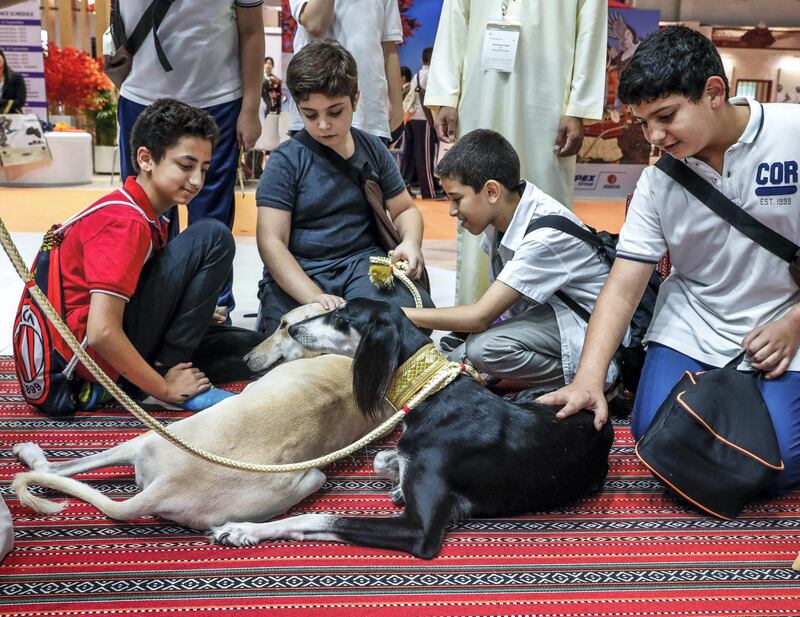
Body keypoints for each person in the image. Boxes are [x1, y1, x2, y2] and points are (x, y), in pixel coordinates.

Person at [539, 26, 800, 495]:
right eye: (642, 122)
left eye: (666, 116)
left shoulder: (793, 134)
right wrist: (588, 379)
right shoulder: (658, 181)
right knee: (658, 436)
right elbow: (623, 286)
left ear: (714, 93)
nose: (654, 136)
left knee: (780, 461)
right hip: (695, 322)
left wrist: (794, 324)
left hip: (786, 319)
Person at [53, 99, 264, 411]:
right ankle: (166, 370)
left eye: (203, 169)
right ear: (146, 159)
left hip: (121, 341)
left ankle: (165, 368)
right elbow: (101, 331)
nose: (196, 181)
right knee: (212, 236)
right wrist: (164, 388)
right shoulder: (125, 221)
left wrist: (193, 312)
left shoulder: (147, 214)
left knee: (255, 351)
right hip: (91, 361)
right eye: (185, 165)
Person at [404, 129, 620, 389]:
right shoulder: (507, 213)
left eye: (456, 199)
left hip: (593, 334)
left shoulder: (543, 237)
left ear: (492, 191)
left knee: (483, 351)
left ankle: (597, 377)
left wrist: (400, 314)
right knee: (449, 360)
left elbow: (479, 317)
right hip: (553, 318)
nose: (451, 211)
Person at [425, 0, 607, 307]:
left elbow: (591, 27)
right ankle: (475, 312)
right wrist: (446, 95)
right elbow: (456, 16)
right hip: (480, 91)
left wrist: (578, 107)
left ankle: (544, 317)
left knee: (542, 197)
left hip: (548, 99)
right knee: (476, 191)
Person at [255, 41, 433, 335]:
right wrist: (313, 297)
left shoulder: (373, 149)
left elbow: (404, 209)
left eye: (335, 111)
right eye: (310, 115)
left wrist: (411, 242)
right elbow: (271, 242)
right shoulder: (286, 160)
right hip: (301, 270)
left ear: (355, 98)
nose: (323, 124)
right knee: (301, 345)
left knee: (406, 325)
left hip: (362, 264)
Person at [116, 0, 264, 315]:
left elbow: (251, 29)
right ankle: (145, 311)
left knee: (211, 217)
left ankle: (212, 311)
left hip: (218, 99)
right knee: (145, 214)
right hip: (142, 96)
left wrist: (250, 107)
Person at [288, 0, 405, 145]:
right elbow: (315, 23)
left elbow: (388, 47)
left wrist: (398, 115)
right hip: (315, 115)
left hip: (370, 116)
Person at [401, 47, 441, 199]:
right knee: (424, 156)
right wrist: (432, 121)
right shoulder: (431, 75)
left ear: (421, 60)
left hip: (411, 118)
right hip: (424, 119)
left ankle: (407, 186)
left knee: (411, 155)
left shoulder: (417, 75)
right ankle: (429, 191)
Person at [0, 48, 26, 113]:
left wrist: (2, 102)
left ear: (3, 59)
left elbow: (21, 101)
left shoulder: (17, 78)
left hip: (12, 116)